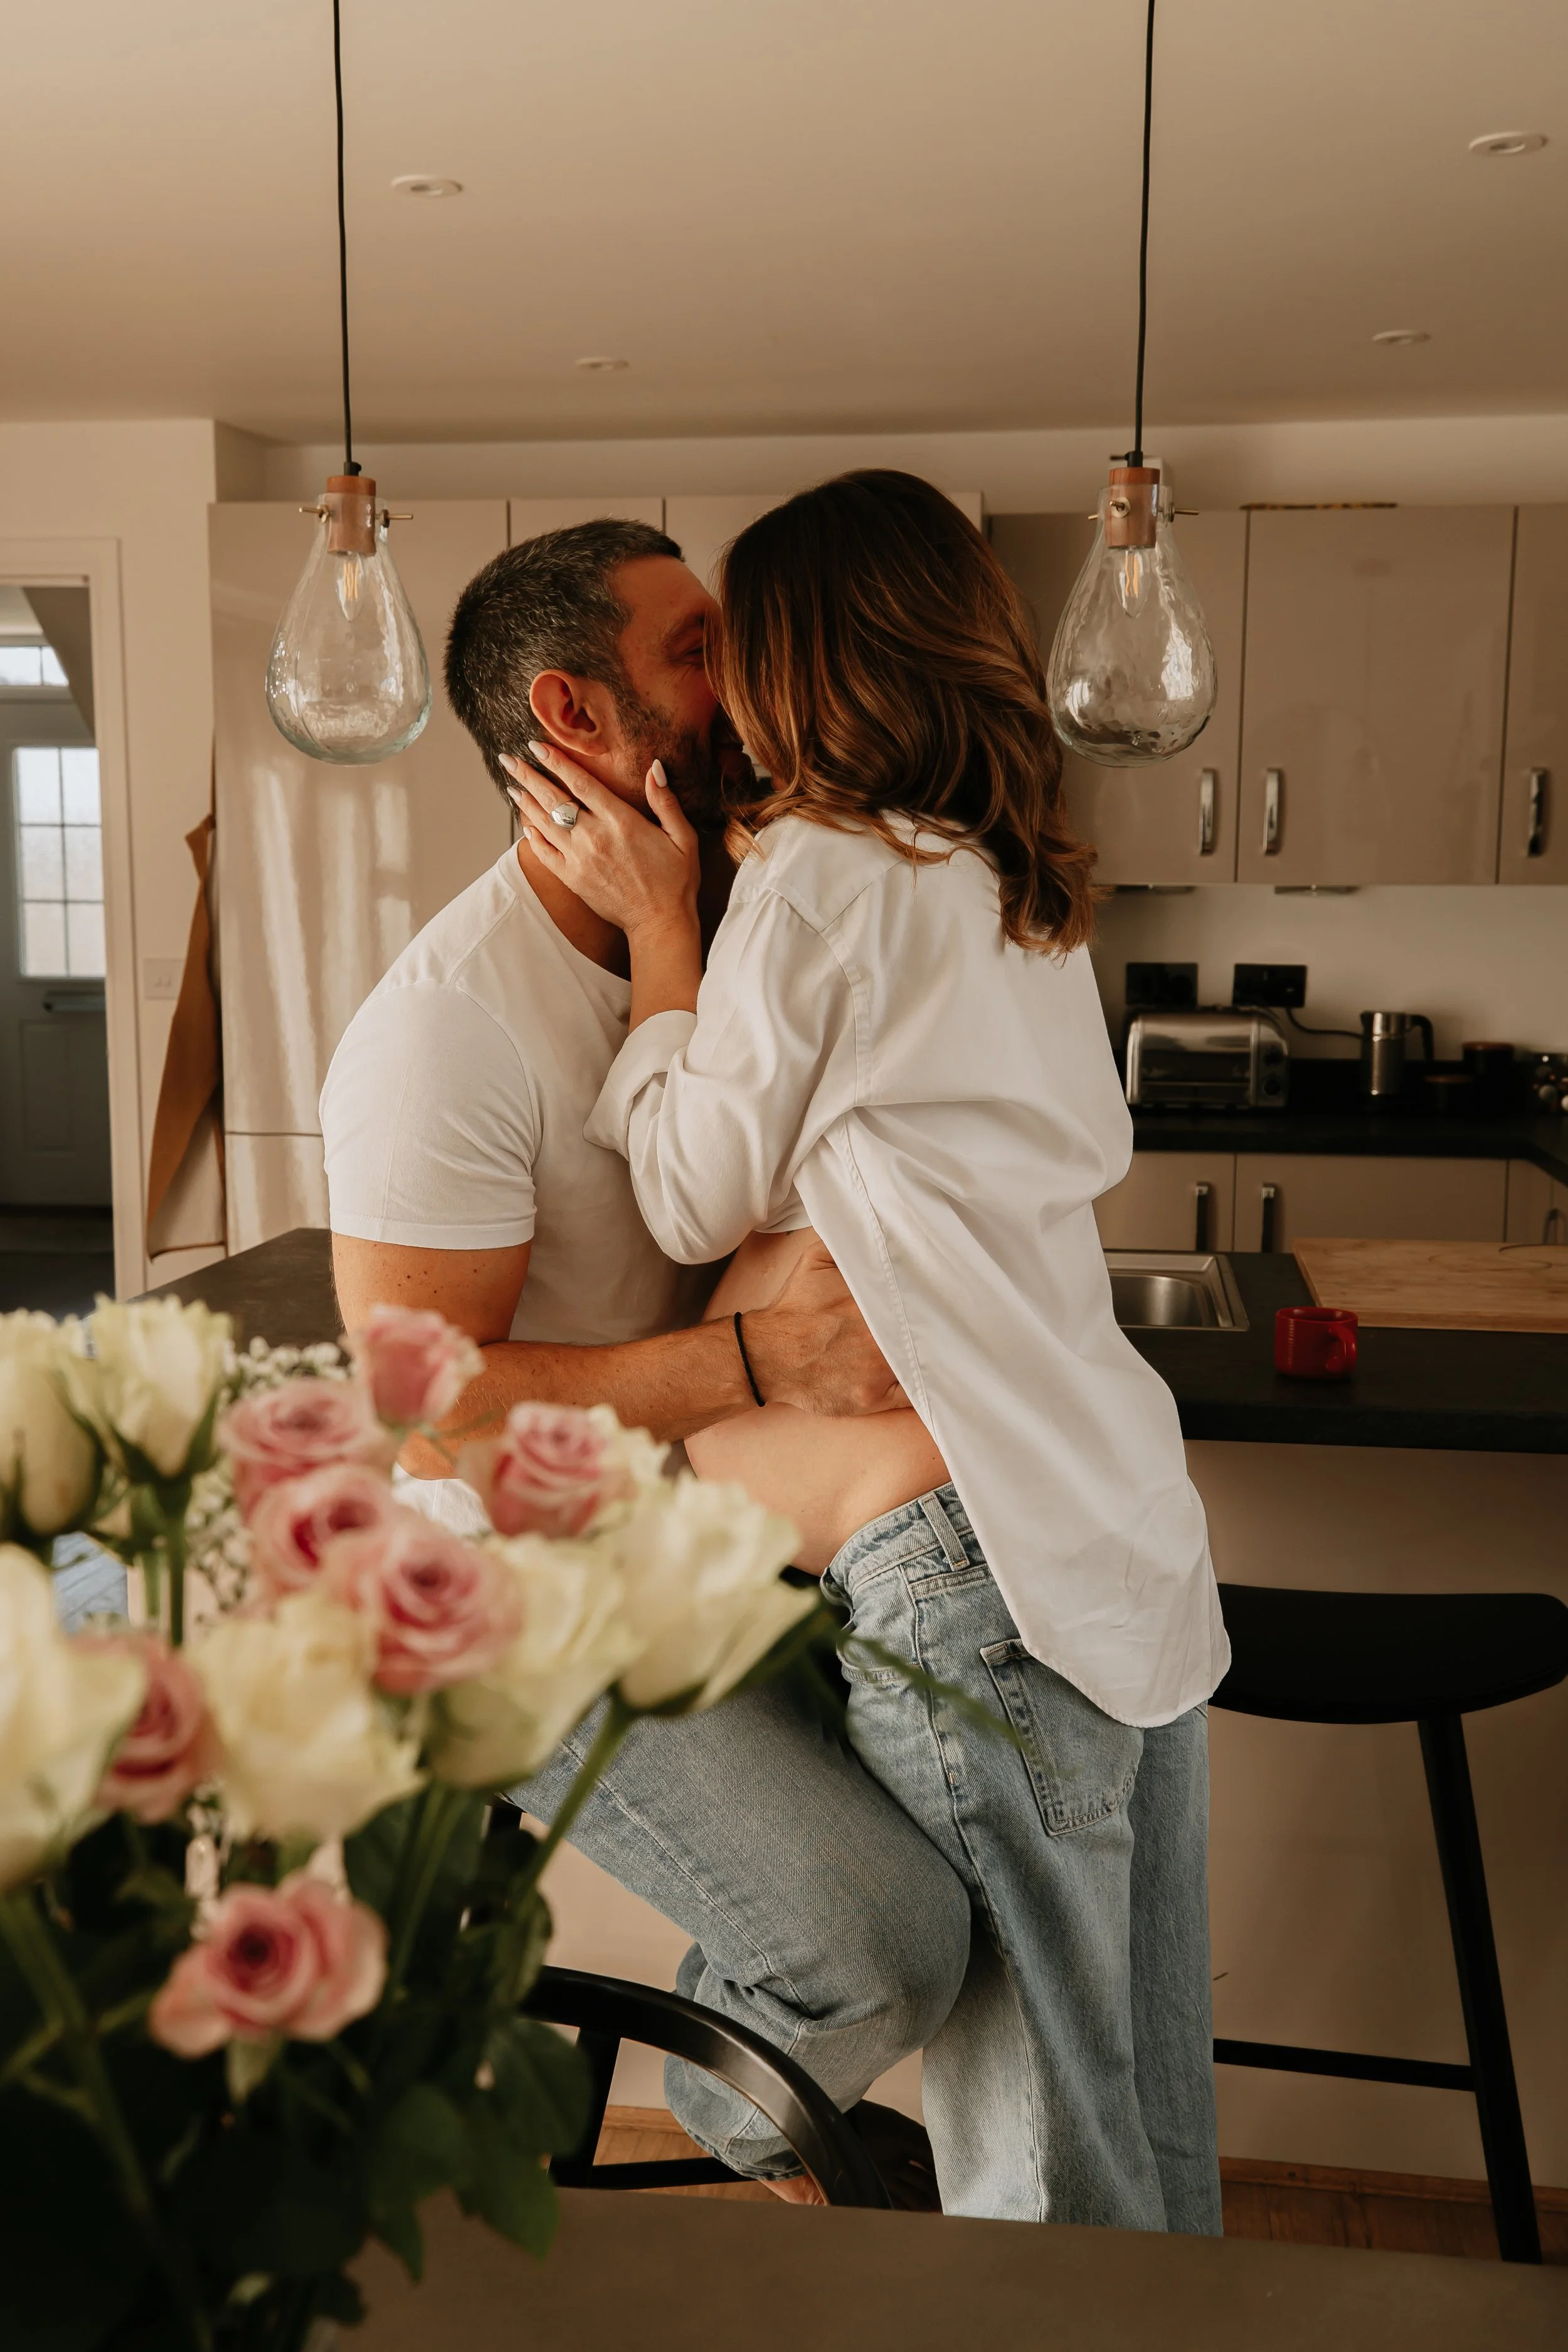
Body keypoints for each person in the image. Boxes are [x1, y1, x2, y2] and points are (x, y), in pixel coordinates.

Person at [505, 469, 1231, 2231]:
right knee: (1137, 2098)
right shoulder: (1015, 884)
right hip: (1115, 1535)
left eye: (738, 650)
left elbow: (688, 1189)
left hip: (969, 1566)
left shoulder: (825, 877)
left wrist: (670, 936)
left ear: (810, 657)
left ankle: (754, 2118)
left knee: (1041, 2147)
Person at [319, 517, 968, 2203]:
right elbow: (435, 1409)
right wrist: (752, 1357)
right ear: (578, 718)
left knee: (1023, 1847)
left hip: (705, 1541)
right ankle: (752, 2111)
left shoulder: (732, 906)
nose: (743, 681)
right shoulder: (447, 1023)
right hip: (514, 1592)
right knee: (887, 1938)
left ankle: (902, 2154)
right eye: (698, 652)